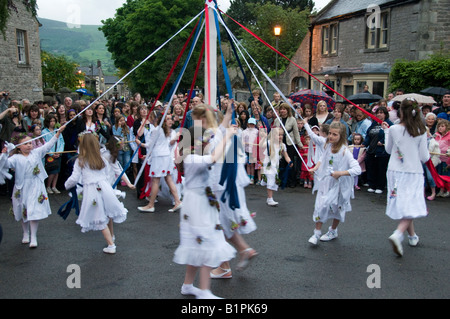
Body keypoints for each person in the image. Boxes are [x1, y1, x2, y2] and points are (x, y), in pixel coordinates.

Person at [173, 126, 237, 299]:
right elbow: (215, 156)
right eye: (205, 139)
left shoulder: (195, 155)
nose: (209, 141)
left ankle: (188, 286)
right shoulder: (192, 158)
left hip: (202, 202)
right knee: (205, 243)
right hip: (197, 205)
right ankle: (204, 292)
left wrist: (225, 128)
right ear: (195, 142)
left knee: (197, 244)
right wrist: (228, 135)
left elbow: (215, 150)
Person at [1, 125, 66, 248]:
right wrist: (5, 154)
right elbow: (6, 164)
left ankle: (34, 236)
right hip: (22, 187)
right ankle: (25, 233)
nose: (29, 145)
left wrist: (58, 133)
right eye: (26, 144)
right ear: (18, 147)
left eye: (30, 143)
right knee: (24, 210)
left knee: (34, 210)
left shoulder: (36, 153)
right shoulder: (15, 157)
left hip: (36, 185)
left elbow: (48, 145)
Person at [64, 132, 128, 254]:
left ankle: (111, 245)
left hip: (92, 190)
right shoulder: (101, 159)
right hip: (105, 187)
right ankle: (112, 238)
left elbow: (74, 178)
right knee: (106, 212)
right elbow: (105, 174)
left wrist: (66, 185)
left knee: (98, 216)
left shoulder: (80, 161)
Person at [382, 98, 430, 257]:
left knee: (405, 204)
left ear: (401, 111)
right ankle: (398, 233)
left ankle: (412, 236)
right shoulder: (421, 131)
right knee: (412, 204)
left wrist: (387, 132)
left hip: (394, 171)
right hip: (413, 172)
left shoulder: (394, 129)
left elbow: (388, 151)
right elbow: (424, 157)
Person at [307, 122, 361, 245]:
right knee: (320, 206)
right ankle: (316, 233)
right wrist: (316, 168)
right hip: (327, 182)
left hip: (340, 185)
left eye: (334, 134)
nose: (330, 136)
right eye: (330, 133)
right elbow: (322, 158)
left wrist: (340, 173)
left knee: (337, 208)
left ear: (341, 136)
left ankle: (333, 230)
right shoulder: (328, 146)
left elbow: (357, 169)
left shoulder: (345, 151)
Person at [137, 111, 182, 213]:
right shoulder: (166, 130)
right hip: (166, 156)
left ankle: (151, 205)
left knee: (156, 180)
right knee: (168, 178)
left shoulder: (156, 130)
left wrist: (140, 143)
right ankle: (177, 201)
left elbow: (150, 145)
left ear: (157, 119)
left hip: (159, 157)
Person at [260, 127, 293, 206]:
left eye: (281, 135)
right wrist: (264, 137)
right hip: (268, 165)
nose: (280, 137)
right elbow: (261, 145)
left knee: (273, 181)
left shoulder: (282, 145)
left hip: (275, 166)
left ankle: (269, 198)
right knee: (271, 180)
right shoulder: (269, 143)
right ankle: (270, 198)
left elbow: (286, 155)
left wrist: (289, 161)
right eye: (278, 135)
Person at [363, 106, 393, 194]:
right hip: (372, 149)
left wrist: (383, 141)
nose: (379, 114)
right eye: (378, 113)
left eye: (381, 113)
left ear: (385, 114)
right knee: (372, 167)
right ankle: (372, 185)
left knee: (381, 169)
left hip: (382, 151)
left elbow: (390, 134)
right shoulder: (374, 123)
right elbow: (369, 134)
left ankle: (380, 186)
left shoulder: (389, 123)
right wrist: (364, 143)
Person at [273, 103, 303, 188]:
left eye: (284, 109)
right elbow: (274, 132)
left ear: (287, 110)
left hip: (290, 143)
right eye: (281, 109)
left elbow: (296, 132)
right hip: (280, 143)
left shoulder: (292, 119)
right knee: (280, 162)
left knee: (290, 162)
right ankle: (281, 180)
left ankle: (291, 181)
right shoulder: (277, 120)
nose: (282, 111)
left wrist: (299, 144)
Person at [42, 114, 65, 194]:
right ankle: (48, 186)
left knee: (57, 171)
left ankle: (54, 186)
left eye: (54, 121)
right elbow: (45, 143)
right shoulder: (44, 132)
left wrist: (59, 152)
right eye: (50, 121)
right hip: (50, 154)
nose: (52, 123)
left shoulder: (57, 130)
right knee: (52, 170)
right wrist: (51, 153)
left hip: (58, 153)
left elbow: (62, 142)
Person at [433, 119, 450, 197]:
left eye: (442, 126)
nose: (440, 128)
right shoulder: (436, 136)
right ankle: (441, 190)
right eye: (439, 126)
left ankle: (448, 190)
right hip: (438, 159)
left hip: (446, 160)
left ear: (447, 127)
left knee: (446, 176)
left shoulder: (449, 136)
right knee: (439, 175)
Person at [424, 127, 440, 201]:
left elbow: (437, 154)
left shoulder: (433, 141)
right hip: (421, 161)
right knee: (422, 177)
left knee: (430, 177)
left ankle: (433, 192)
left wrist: (432, 163)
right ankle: (422, 192)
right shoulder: (419, 140)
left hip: (430, 162)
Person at [242, 117, 258, 184]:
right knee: (248, 164)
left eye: (253, 124)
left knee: (252, 164)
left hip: (253, 150)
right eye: (250, 124)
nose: (251, 125)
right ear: (248, 124)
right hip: (247, 150)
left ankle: (252, 178)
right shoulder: (244, 132)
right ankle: (248, 177)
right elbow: (242, 141)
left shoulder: (257, 131)